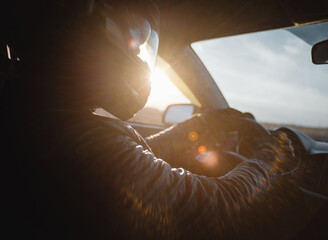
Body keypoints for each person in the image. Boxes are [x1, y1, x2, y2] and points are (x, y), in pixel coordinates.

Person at [3, 0, 309, 239]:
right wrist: (278, 152)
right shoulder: (70, 135)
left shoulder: (36, 117)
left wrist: (199, 126)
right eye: (131, 35)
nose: (137, 54)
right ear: (74, 26)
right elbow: (223, 207)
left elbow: (127, 163)